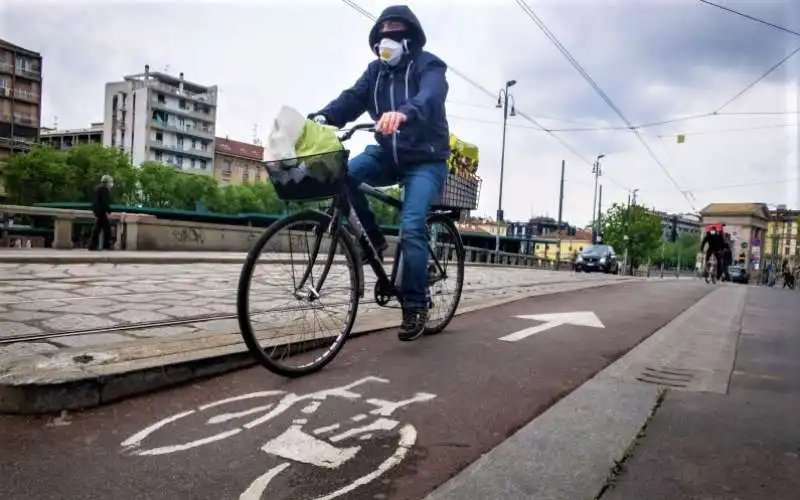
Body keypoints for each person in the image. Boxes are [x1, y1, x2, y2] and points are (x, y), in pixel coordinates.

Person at [309, 5, 450, 342]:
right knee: (342, 176)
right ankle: (372, 239)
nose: (388, 38)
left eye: (396, 31)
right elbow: (351, 99)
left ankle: (416, 304)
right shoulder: (375, 72)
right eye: (383, 32)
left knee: (413, 227)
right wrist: (322, 118)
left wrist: (403, 113)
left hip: (426, 160)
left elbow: (430, 95)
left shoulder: (428, 65)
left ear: (410, 38)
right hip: (387, 154)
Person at [89, 175, 114, 251]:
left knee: (97, 228)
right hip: (101, 210)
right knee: (106, 229)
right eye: (110, 182)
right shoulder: (104, 189)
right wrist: (109, 210)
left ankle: (93, 245)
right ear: (107, 182)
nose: (111, 184)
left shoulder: (97, 188)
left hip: (96, 209)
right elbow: (104, 201)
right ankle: (106, 245)